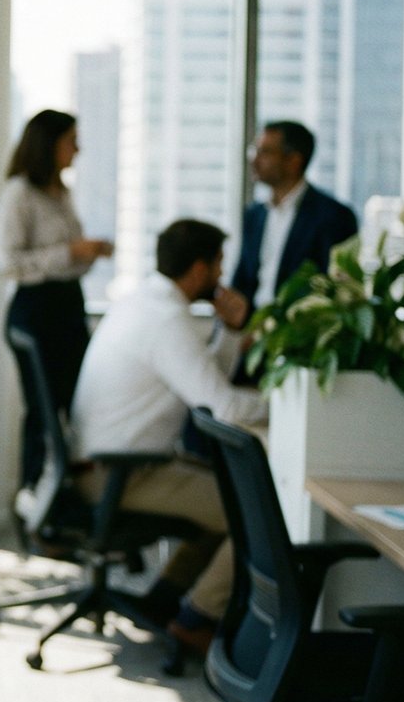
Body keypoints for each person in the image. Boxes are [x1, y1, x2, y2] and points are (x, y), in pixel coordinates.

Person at [70, 218, 268, 654]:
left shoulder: (144, 302)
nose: (221, 276)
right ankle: (197, 619)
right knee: (255, 512)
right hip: (119, 472)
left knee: (229, 491)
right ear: (199, 269)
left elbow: (203, 381)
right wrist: (289, 408)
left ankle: (164, 601)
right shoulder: (166, 319)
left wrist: (232, 332)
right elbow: (225, 406)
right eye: (217, 266)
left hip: (108, 462)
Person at [0, 109, 113, 485]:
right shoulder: (19, 194)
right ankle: (34, 501)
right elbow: (8, 263)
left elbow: (67, 262)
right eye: (71, 140)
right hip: (36, 312)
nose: (78, 149)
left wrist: (86, 255)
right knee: (43, 411)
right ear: (50, 144)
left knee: (79, 404)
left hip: (68, 307)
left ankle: (69, 498)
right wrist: (71, 253)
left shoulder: (62, 193)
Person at [214, 120, 358, 333]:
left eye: (265, 152)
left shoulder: (333, 216)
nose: (254, 160)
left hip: (299, 340)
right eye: (254, 150)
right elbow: (243, 280)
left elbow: (338, 289)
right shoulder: (254, 214)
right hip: (250, 337)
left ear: (293, 161)